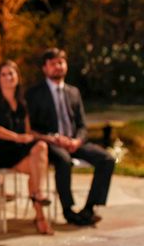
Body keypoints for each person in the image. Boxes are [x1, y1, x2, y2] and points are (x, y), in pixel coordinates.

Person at [26, 48, 115, 226]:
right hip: (51, 144)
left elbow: (82, 125)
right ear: (44, 68)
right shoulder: (34, 94)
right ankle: (68, 211)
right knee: (63, 160)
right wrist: (54, 139)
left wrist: (77, 141)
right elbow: (30, 128)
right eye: (53, 64)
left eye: (61, 62)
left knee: (107, 159)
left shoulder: (74, 92)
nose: (58, 67)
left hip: (74, 142)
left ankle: (89, 208)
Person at [0, 60, 53, 235]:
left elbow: (28, 131)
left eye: (11, 73)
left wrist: (39, 137)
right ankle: (40, 212)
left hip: (18, 148)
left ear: (17, 76)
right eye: (4, 74)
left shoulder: (22, 101)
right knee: (38, 164)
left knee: (41, 149)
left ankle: (39, 204)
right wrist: (17, 137)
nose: (8, 77)